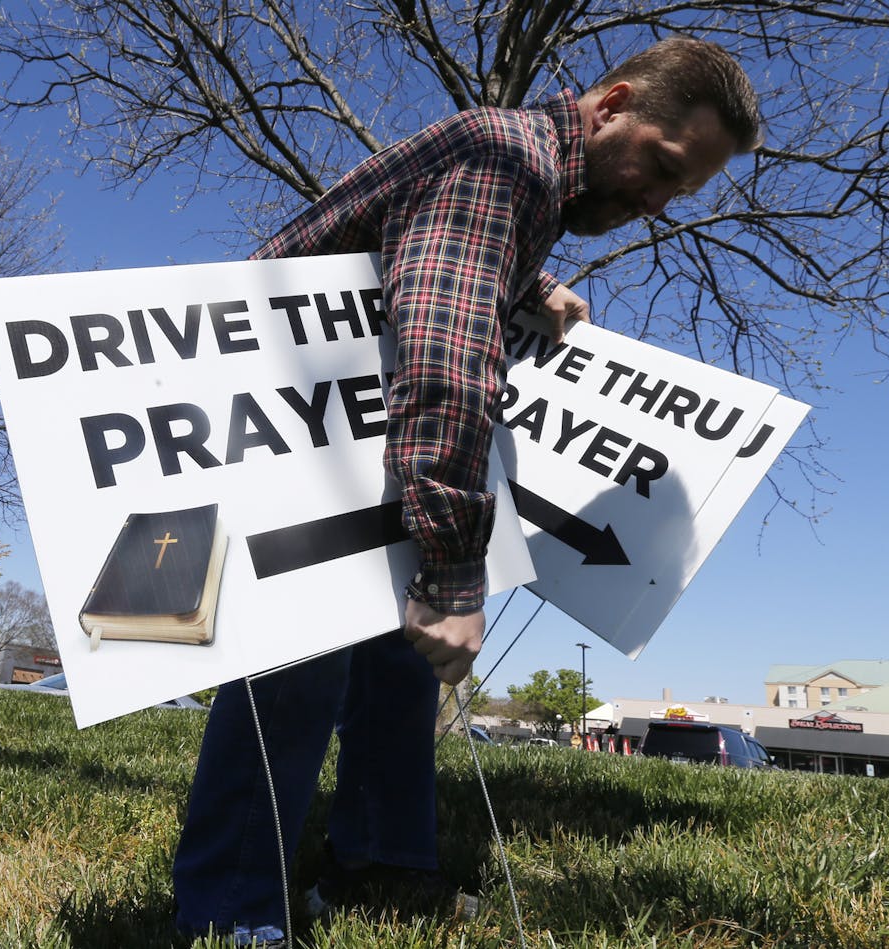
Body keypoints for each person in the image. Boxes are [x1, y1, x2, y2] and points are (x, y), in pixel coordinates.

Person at [172, 37, 761, 946]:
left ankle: (377, 867)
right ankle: (228, 916)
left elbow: (432, 253)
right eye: (663, 166)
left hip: (343, 432)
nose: (655, 202)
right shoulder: (506, 161)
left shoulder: (518, 173)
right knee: (304, 655)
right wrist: (453, 573)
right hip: (284, 438)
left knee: (398, 651)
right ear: (611, 106)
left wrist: (534, 283)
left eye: (679, 194)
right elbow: (444, 364)